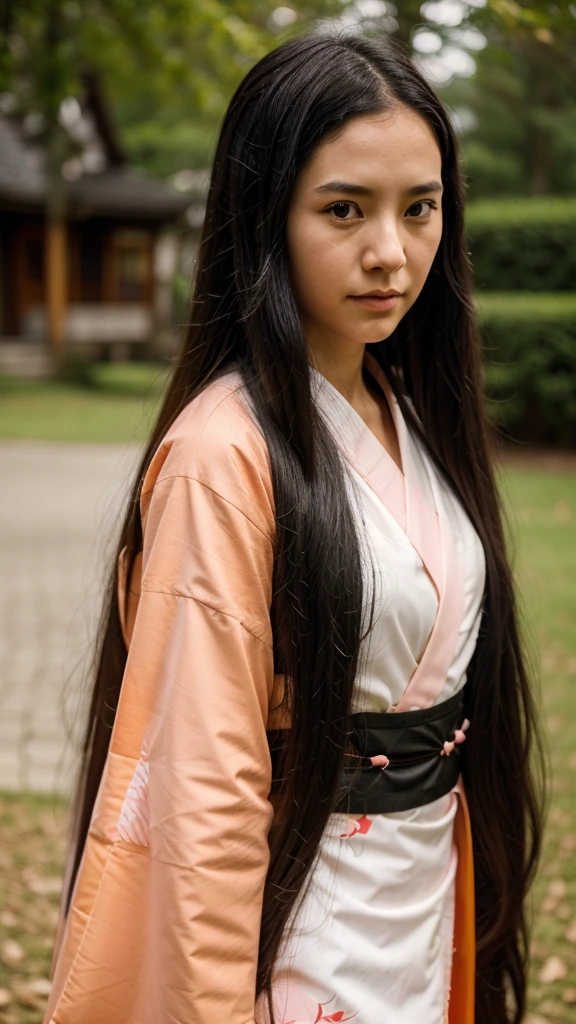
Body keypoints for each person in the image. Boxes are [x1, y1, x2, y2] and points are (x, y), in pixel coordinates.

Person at [44, 31, 545, 1024]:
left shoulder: (406, 408)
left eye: (421, 208)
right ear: (263, 215)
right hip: (300, 923)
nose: (391, 253)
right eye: (344, 209)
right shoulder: (221, 455)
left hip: (420, 888)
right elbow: (206, 787)